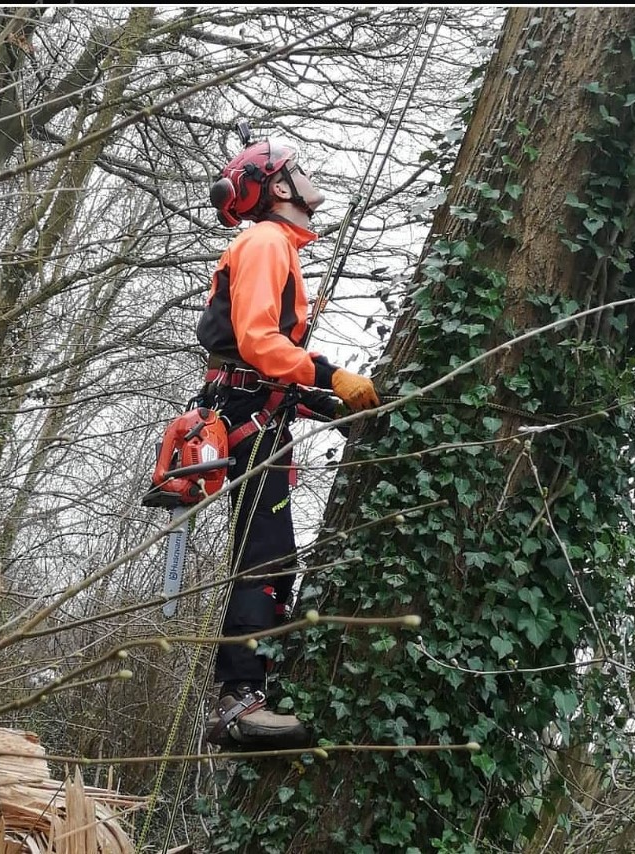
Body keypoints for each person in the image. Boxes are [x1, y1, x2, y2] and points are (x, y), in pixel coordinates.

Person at [197, 138, 380, 749]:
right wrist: (331, 375)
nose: (307, 177)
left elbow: (267, 367)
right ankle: (239, 699)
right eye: (296, 170)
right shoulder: (266, 243)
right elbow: (256, 343)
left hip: (255, 411)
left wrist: (327, 403)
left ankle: (250, 689)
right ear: (279, 187)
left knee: (271, 554)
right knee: (266, 556)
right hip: (246, 416)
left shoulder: (275, 247)